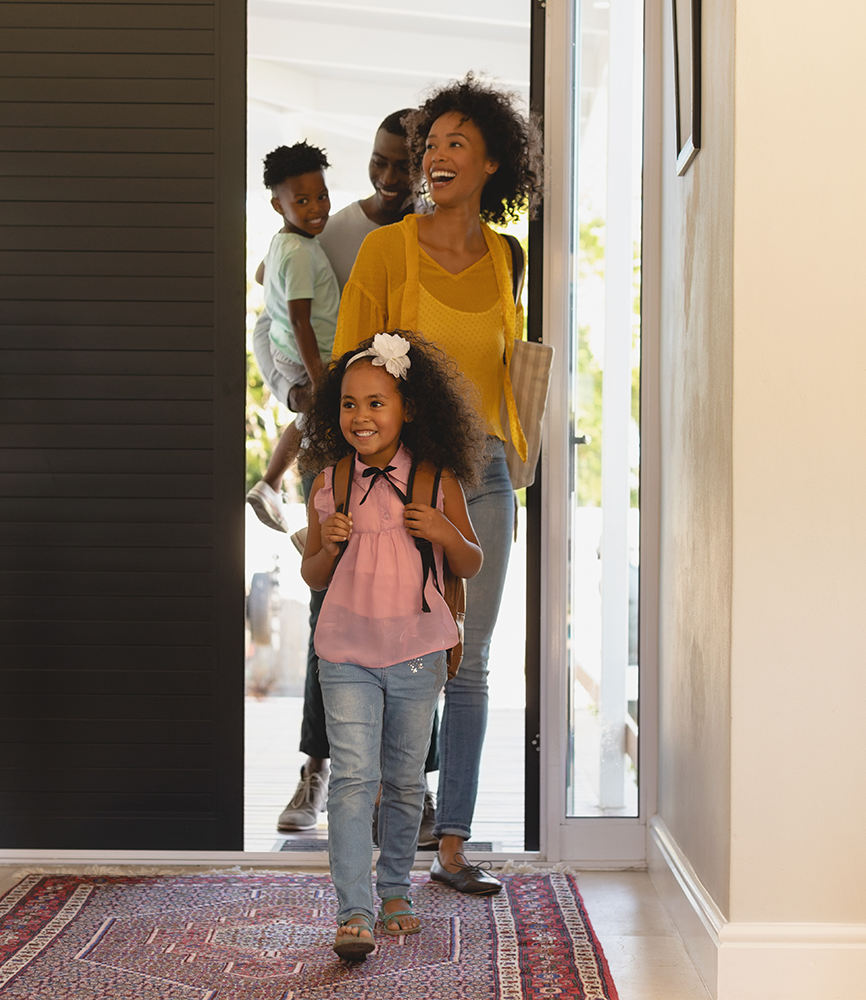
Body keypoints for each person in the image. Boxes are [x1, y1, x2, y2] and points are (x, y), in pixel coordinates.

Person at [332, 73, 543, 895]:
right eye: (433, 143)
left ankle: (451, 844)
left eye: (459, 142)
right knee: (399, 651)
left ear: (492, 163)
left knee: (470, 659)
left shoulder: (506, 256)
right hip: (402, 478)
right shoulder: (387, 250)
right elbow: (351, 367)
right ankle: (389, 833)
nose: (438, 156)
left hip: (485, 474)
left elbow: (502, 368)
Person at [250, 112, 440, 841]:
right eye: (380, 161)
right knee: (331, 603)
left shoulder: (436, 235)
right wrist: (292, 392)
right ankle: (317, 769)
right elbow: (267, 318)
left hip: (411, 452)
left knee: (418, 606)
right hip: (333, 444)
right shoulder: (328, 231)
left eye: (404, 165)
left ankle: (412, 788)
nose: (390, 178)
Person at [299, 331, 485, 959]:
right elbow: (312, 575)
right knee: (355, 778)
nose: (361, 416)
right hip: (346, 652)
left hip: (416, 652)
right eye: (349, 404)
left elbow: (471, 561)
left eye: (376, 403)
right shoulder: (329, 483)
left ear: (409, 408)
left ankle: (395, 889)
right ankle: (354, 909)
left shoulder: (435, 481)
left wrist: (444, 532)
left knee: (404, 781)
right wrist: (327, 543)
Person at [245, 141, 340, 533]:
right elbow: (301, 322)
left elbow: (261, 276)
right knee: (325, 431)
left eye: (322, 196)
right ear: (278, 205)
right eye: (302, 201)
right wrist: (320, 378)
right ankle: (309, 521)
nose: (317, 208)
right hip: (308, 355)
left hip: (291, 351)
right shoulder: (300, 252)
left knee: (308, 422)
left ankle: (271, 485)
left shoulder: (285, 242)